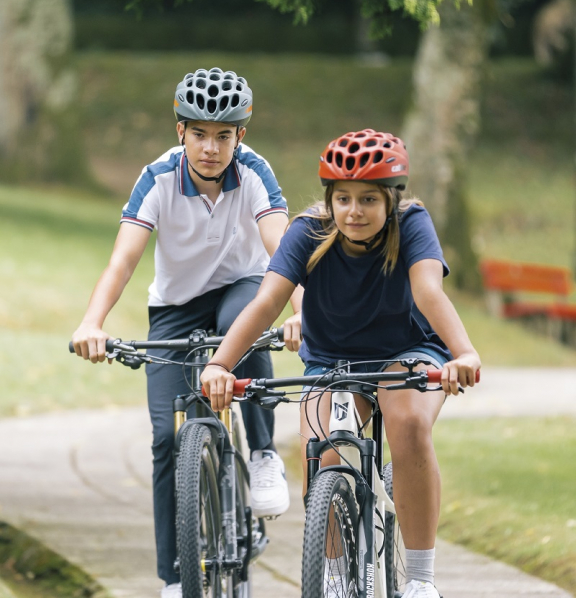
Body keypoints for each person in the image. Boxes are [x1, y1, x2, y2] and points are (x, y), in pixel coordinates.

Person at [200, 129, 481, 598]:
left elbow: (428, 291)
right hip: (333, 357)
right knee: (323, 449)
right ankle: (330, 574)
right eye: (344, 198)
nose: (354, 211)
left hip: (408, 350)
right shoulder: (307, 231)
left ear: (391, 200)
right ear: (329, 199)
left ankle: (420, 579)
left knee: (407, 421)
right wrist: (221, 364)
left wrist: (465, 353)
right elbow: (268, 300)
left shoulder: (412, 224)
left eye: (369, 199)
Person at [71, 67, 302, 598]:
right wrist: (93, 322)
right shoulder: (156, 177)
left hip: (243, 289)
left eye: (224, 135)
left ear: (241, 136)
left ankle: (263, 453)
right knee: (164, 439)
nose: (211, 148)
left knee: (239, 323)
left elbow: (281, 250)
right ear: (181, 132)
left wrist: (299, 312)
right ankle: (175, 579)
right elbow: (123, 259)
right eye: (199, 133)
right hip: (174, 307)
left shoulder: (255, 171)